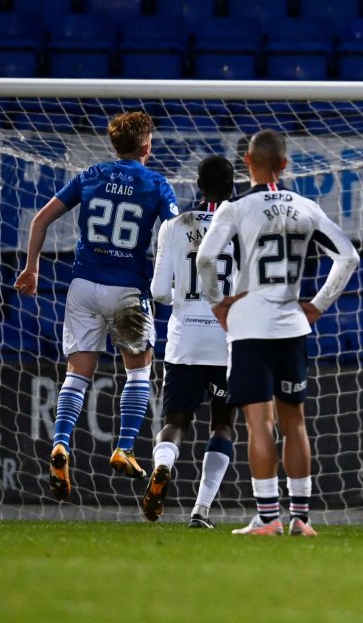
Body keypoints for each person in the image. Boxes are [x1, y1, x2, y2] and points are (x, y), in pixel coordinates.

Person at [197, 130, 359, 536]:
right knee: (294, 423)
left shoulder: (234, 209)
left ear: (247, 163)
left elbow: (205, 258)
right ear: (284, 165)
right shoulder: (306, 207)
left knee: (258, 425)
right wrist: (318, 304)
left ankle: (268, 518)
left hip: (250, 324)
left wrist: (218, 302)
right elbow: (349, 256)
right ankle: (301, 518)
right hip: (291, 323)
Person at [14, 111, 179, 499]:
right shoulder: (156, 184)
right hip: (127, 290)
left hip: (84, 286)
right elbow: (174, 231)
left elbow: (40, 220)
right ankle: (122, 448)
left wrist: (32, 268)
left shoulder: (89, 176)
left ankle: (60, 443)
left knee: (78, 373)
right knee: (139, 373)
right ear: (146, 146)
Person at [141, 155, 237, 528]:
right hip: (227, 340)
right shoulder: (244, 227)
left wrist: (184, 295)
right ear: (232, 187)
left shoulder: (175, 226)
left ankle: (163, 466)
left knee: (176, 420)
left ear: (198, 186)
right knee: (223, 425)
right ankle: (201, 511)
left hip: (185, 340)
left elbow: (157, 291)